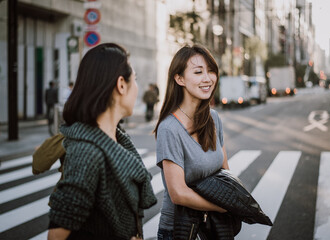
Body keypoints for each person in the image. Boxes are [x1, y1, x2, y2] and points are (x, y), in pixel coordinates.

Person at [47, 43, 157, 240]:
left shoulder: (119, 140)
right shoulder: (87, 152)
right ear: (121, 84)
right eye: (136, 79)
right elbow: (56, 235)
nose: (137, 87)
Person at [154, 44, 229, 239]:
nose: (208, 78)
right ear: (179, 79)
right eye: (198, 72)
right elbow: (178, 193)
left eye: (211, 71)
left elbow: (225, 173)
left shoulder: (214, 119)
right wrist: (222, 206)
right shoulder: (169, 128)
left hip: (214, 227)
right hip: (180, 230)